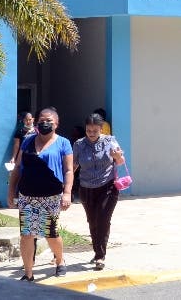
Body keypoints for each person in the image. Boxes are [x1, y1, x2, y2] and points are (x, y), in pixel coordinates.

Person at [7, 107, 73, 281]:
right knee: (27, 234)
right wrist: (11, 192)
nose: (45, 123)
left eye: (49, 121)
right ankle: (28, 273)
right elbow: (17, 168)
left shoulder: (63, 143)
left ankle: (60, 260)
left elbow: (68, 170)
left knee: (50, 233)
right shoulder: (28, 141)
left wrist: (67, 193)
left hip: (51, 195)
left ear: (56, 123)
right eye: (42, 120)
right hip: (27, 195)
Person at [73, 113, 124, 271]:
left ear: (101, 129)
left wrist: (117, 156)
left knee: (103, 219)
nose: (91, 133)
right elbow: (73, 165)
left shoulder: (110, 141)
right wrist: (65, 184)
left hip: (107, 187)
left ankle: (100, 255)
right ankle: (97, 252)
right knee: (92, 221)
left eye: (95, 130)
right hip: (86, 188)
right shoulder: (79, 144)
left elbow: (121, 161)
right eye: (88, 130)